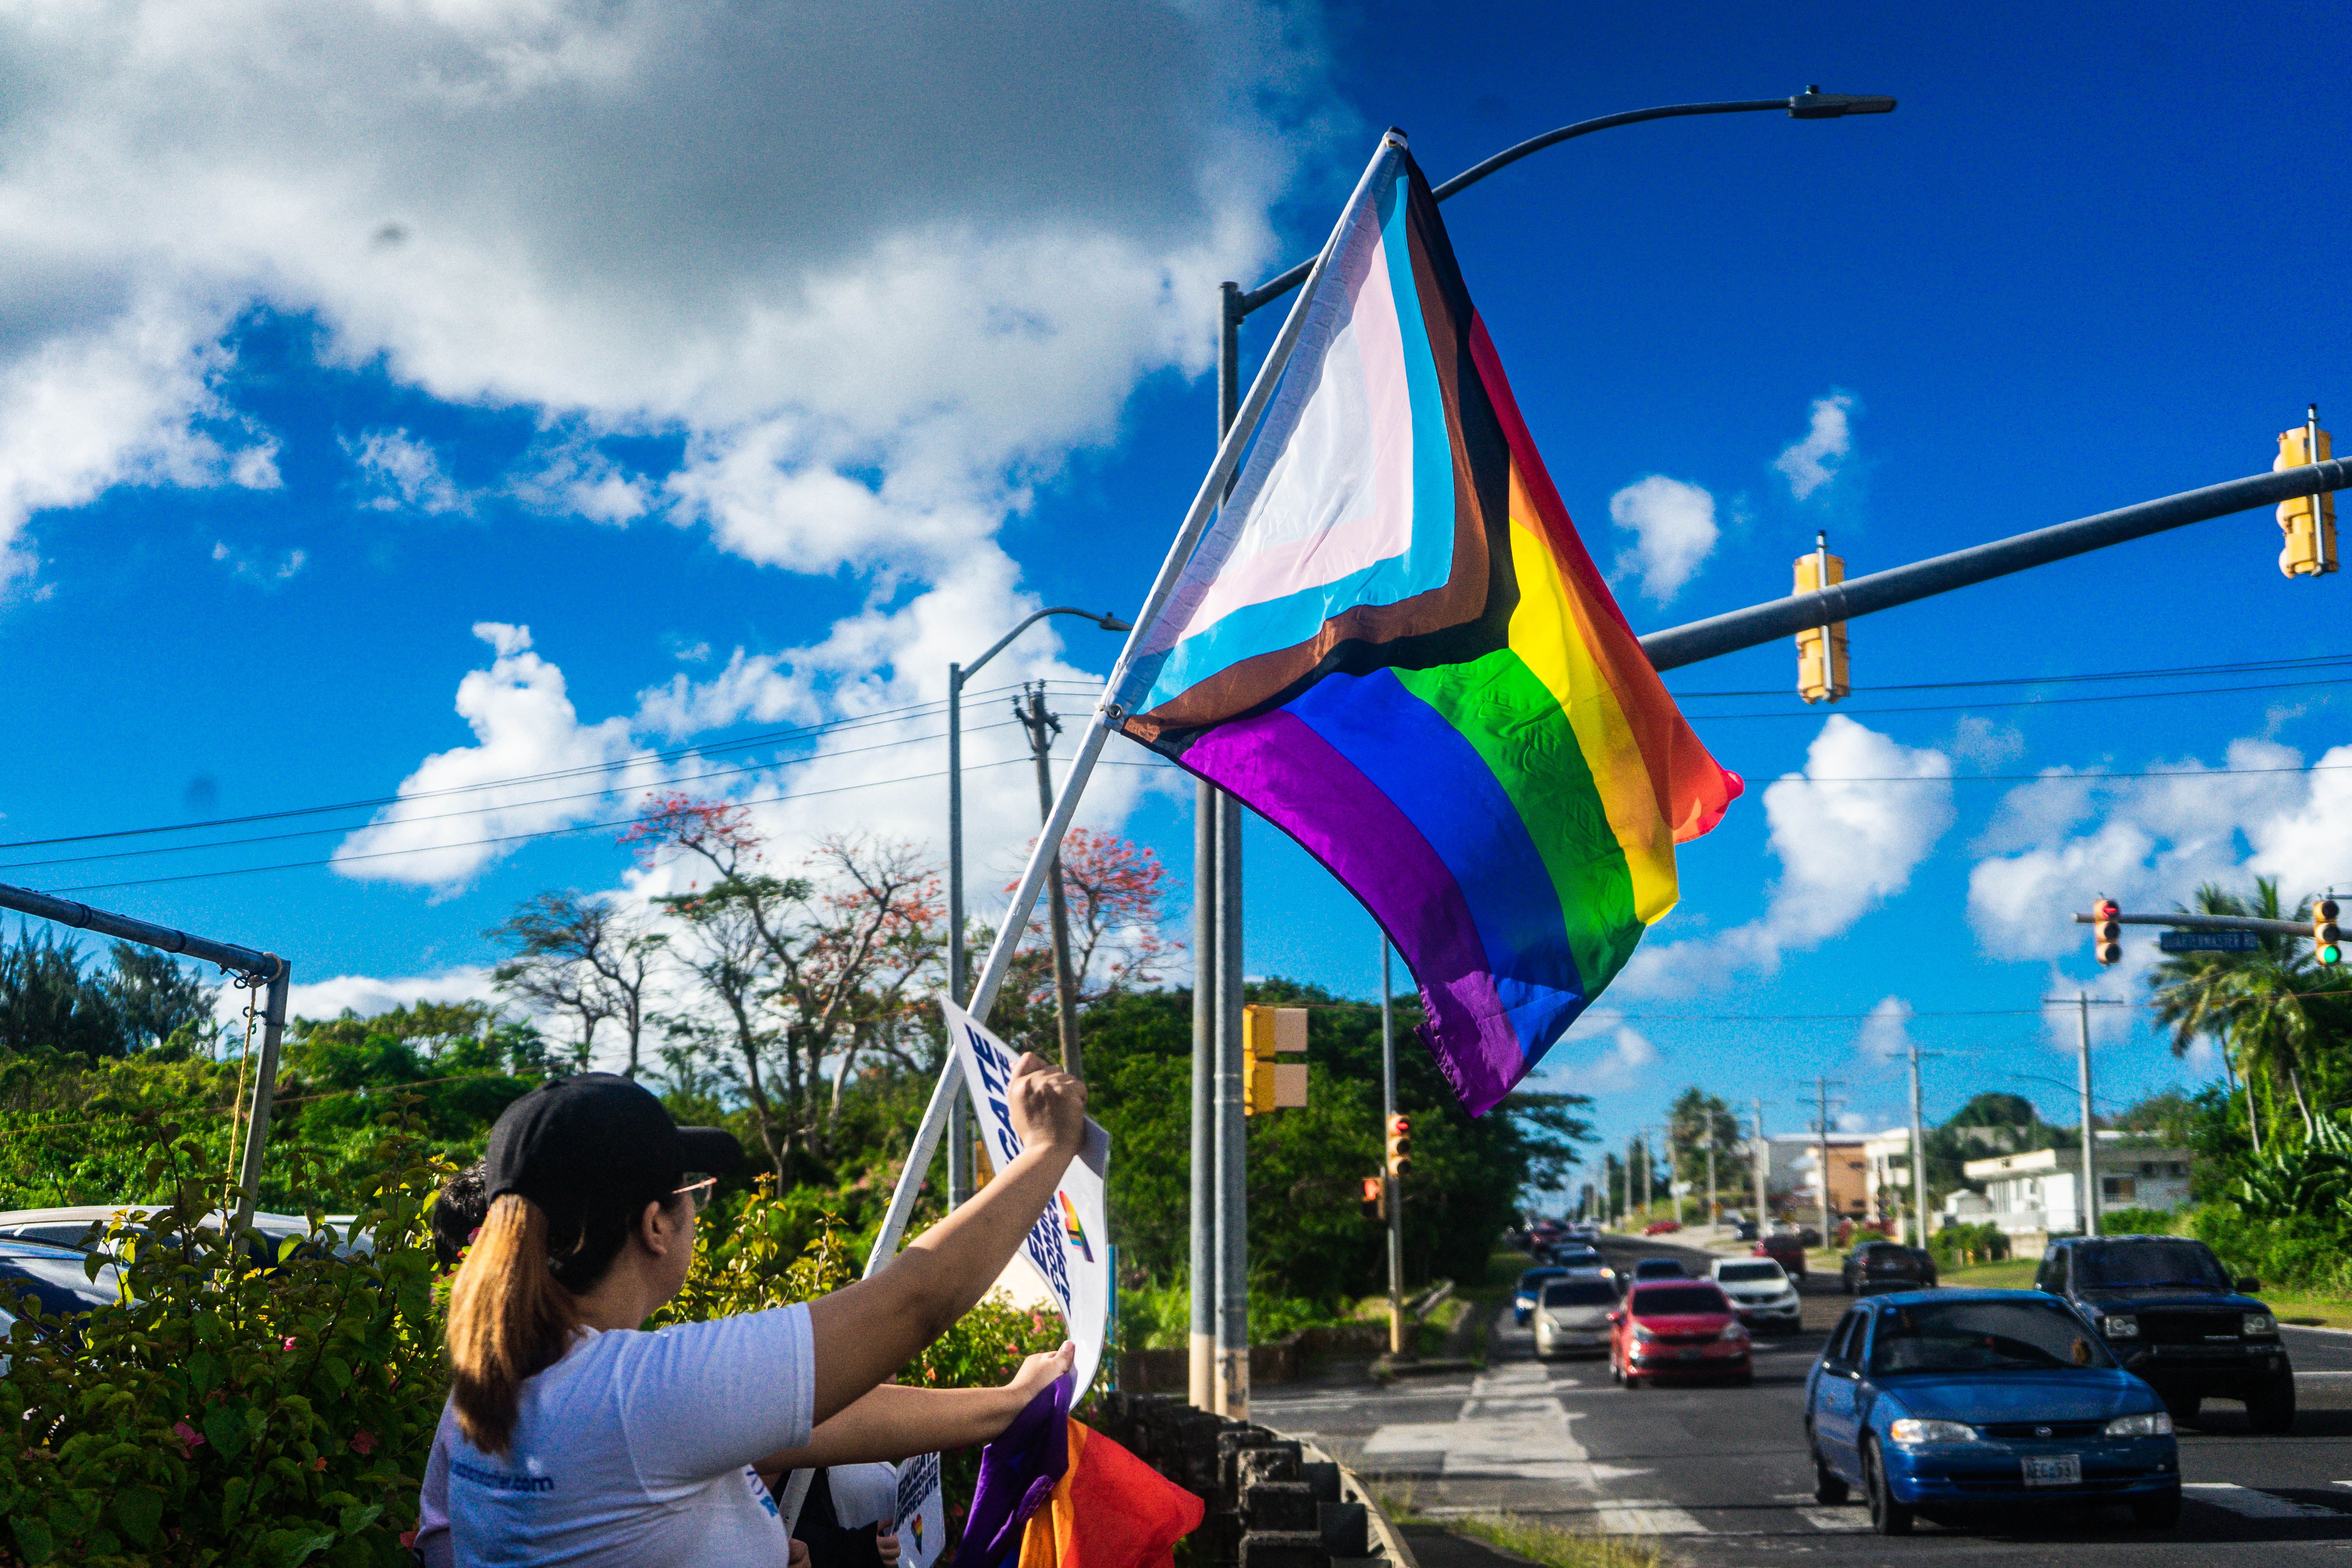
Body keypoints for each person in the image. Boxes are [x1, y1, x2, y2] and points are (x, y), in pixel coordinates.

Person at [427, 1060, 1086, 1565]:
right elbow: (912, 1302)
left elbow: (815, 1422)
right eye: (694, 1196)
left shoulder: (488, 1391)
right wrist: (1045, 1152)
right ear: (656, 1225)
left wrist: (1007, 1404)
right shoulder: (634, 1396)